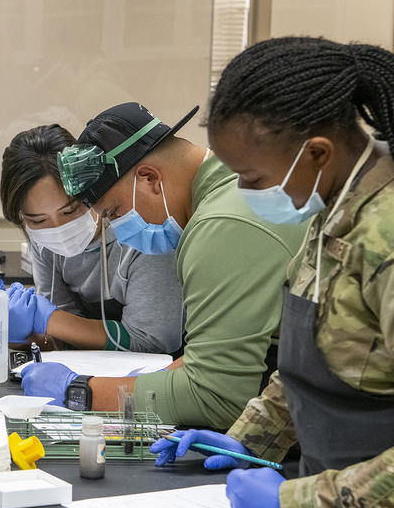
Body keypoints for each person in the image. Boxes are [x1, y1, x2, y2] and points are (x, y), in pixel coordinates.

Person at [153, 37, 394, 508]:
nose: (245, 191)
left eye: (252, 178)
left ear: (317, 151)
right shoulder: (335, 211)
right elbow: (323, 357)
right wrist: (248, 439)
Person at [22, 103, 305, 429]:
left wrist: (80, 391)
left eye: (114, 213)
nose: (121, 230)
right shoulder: (237, 189)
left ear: (150, 179)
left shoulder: (220, 225)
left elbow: (214, 397)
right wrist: (153, 381)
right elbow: (218, 354)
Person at [0, 124, 183, 353]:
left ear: (90, 190)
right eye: (38, 221)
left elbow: (154, 341)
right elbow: (63, 337)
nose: (59, 229)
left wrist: (52, 320)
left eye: (70, 211)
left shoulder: (142, 232)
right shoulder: (44, 242)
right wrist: (6, 337)